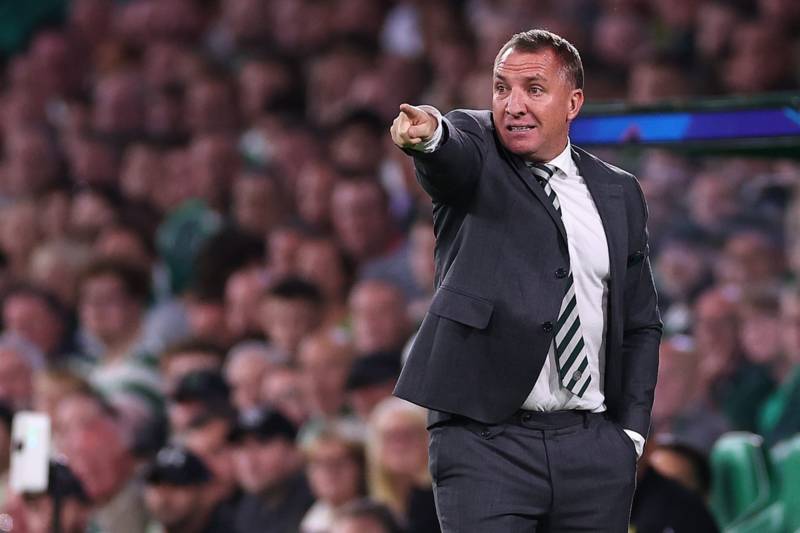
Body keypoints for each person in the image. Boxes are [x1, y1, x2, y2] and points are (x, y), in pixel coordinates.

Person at [389, 29, 662, 531]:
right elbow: (448, 155)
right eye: (501, 88)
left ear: (573, 102)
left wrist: (630, 434)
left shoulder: (619, 191)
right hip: (484, 447)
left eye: (534, 89)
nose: (513, 105)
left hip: (592, 450)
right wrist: (429, 137)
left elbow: (641, 323)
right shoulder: (476, 146)